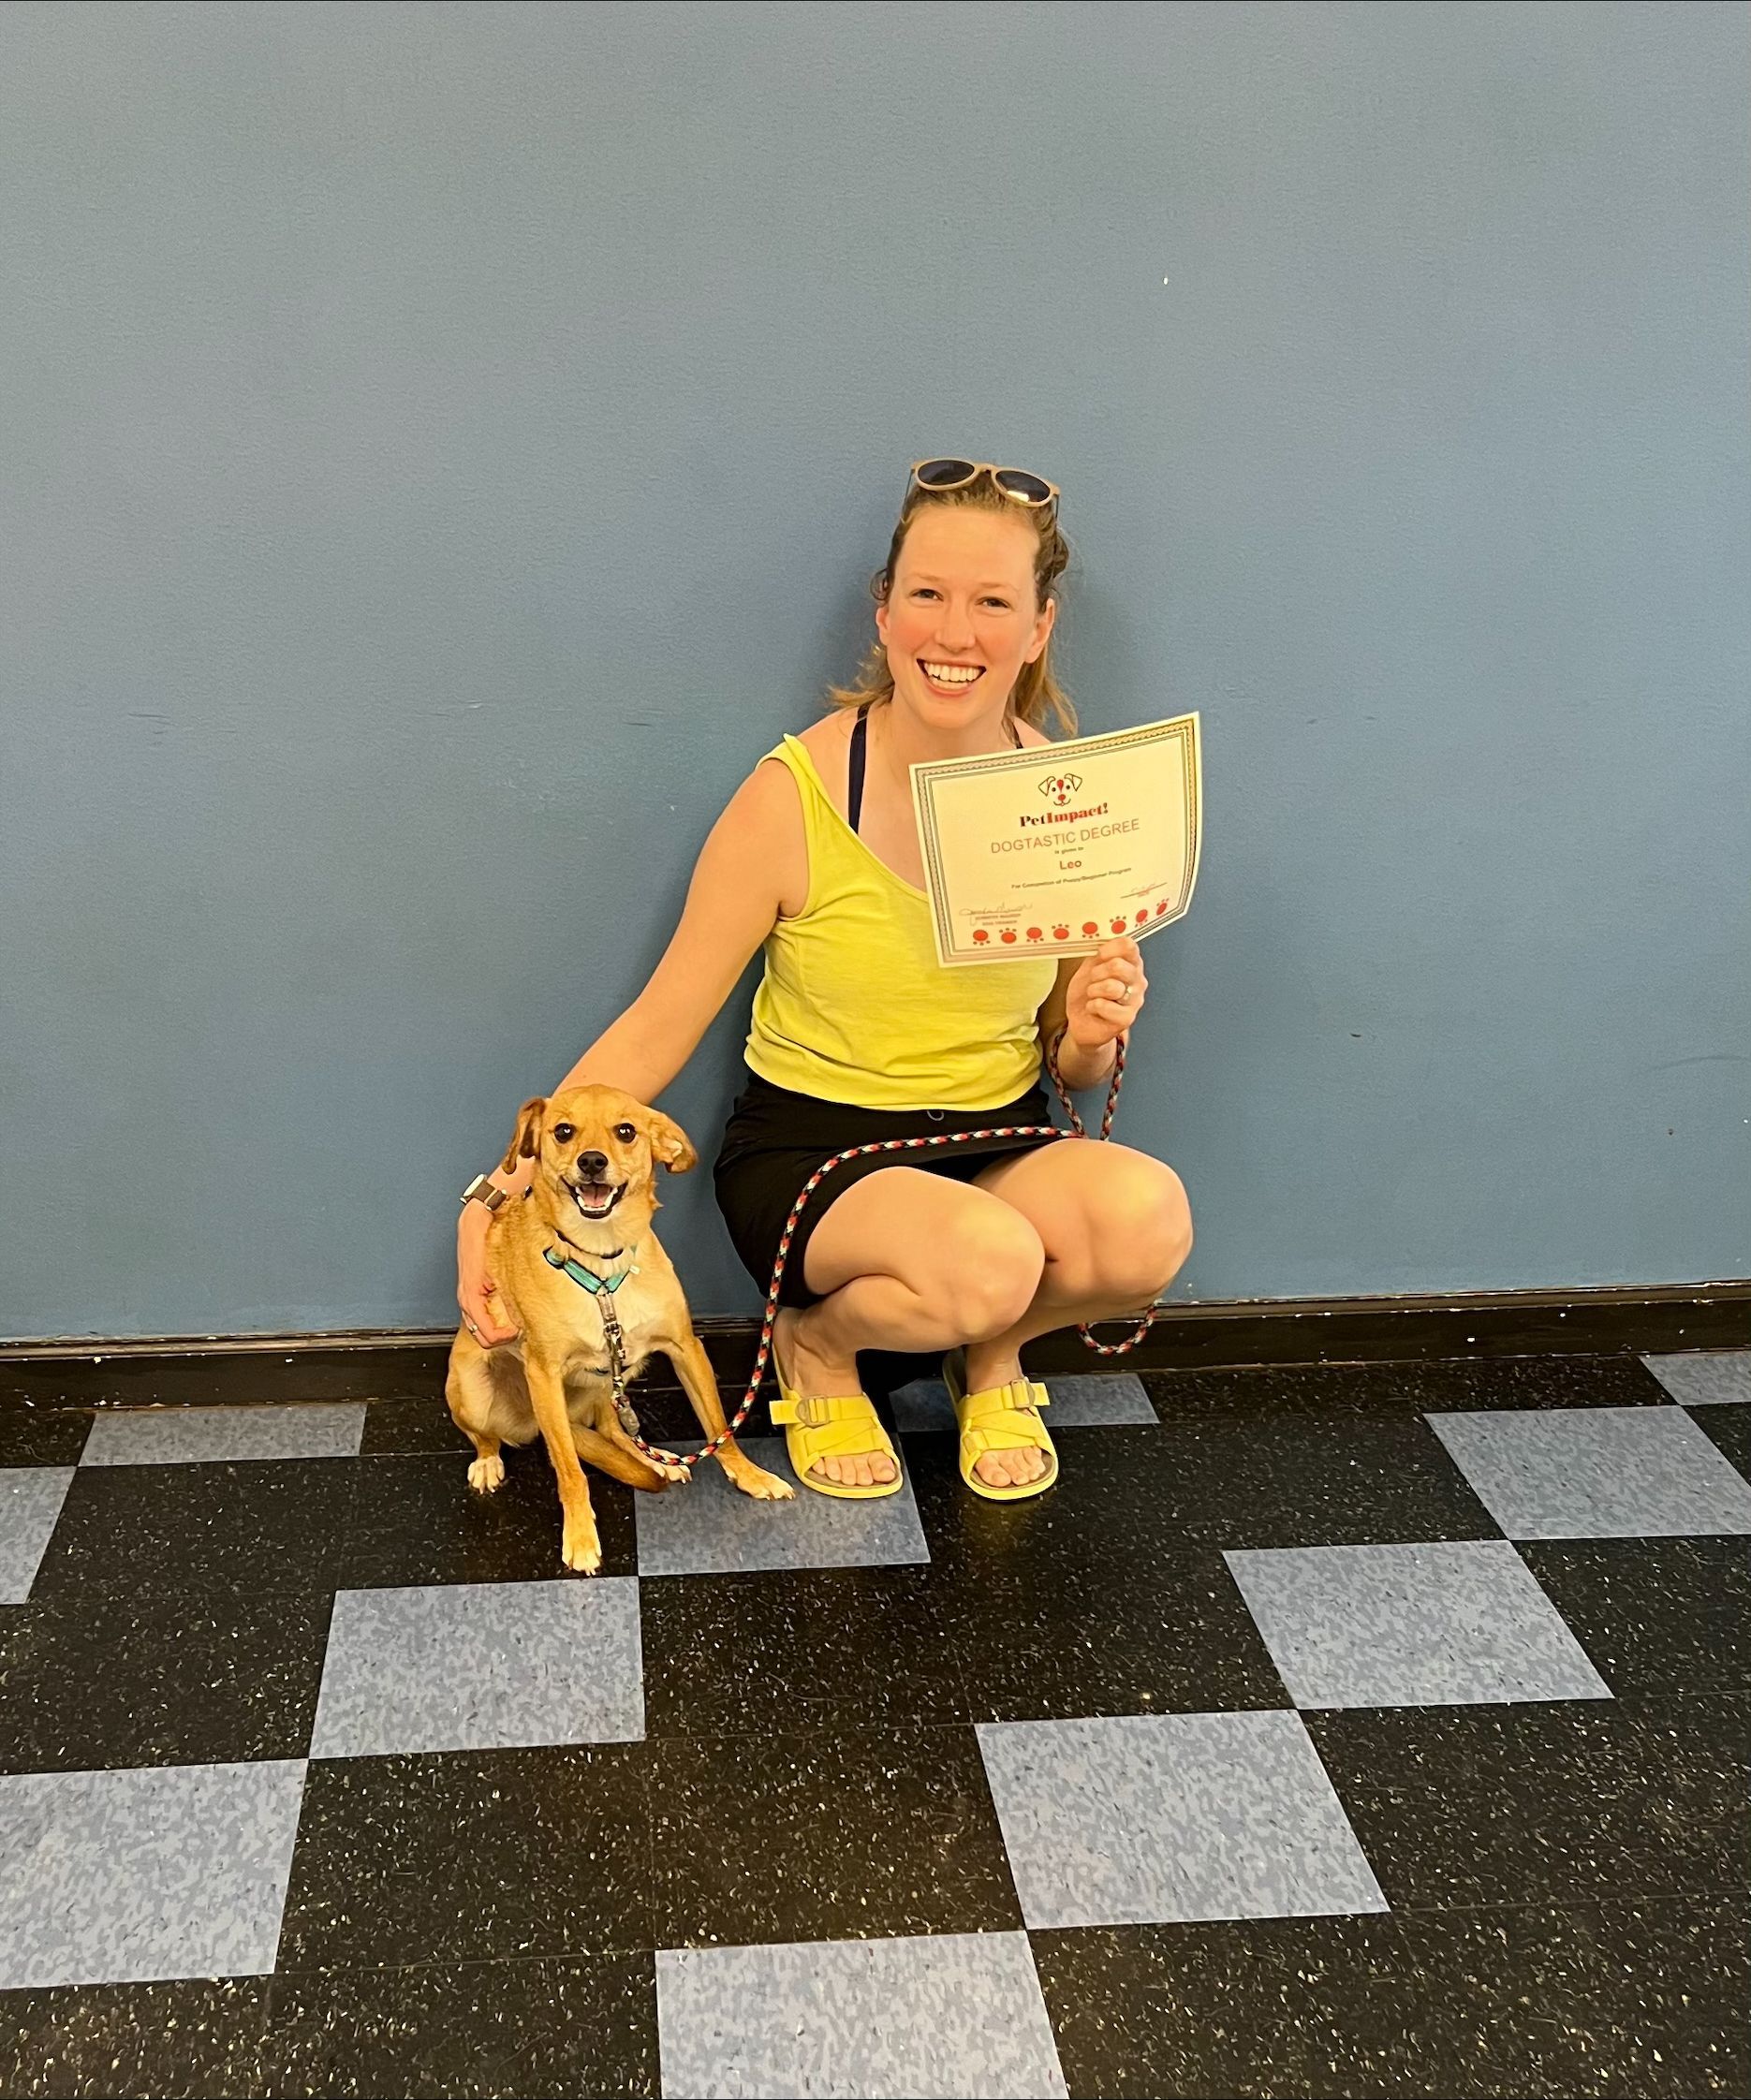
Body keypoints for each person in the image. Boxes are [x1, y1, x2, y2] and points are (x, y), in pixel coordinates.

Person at [456, 459, 1193, 1504]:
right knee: (990, 1258)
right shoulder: (789, 796)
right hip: (816, 1154)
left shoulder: (1060, 799)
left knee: (1148, 1220)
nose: (955, 632)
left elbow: (1073, 1069)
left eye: (992, 602)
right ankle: (818, 1347)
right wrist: (499, 1192)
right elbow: (659, 1023)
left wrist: (1089, 1028)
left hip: (994, 1136)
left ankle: (991, 1357)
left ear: (1038, 627)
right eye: (928, 593)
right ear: (884, 610)